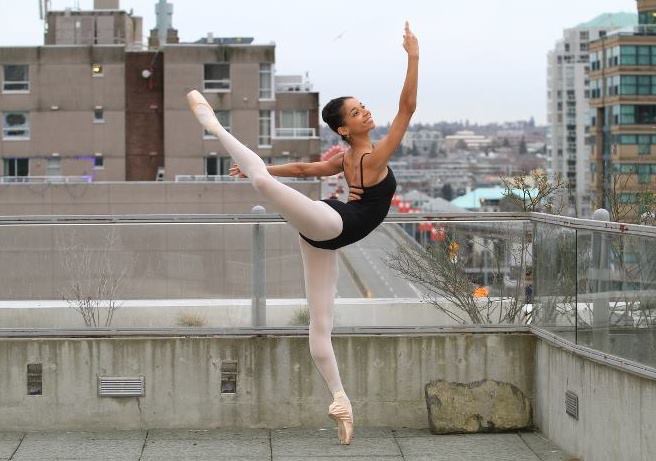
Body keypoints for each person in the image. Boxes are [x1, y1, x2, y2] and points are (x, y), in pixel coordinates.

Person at [187, 21, 418, 445]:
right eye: (355, 112)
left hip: (323, 235)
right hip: (333, 224)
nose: (365, 111)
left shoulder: (353, 156)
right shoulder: (369, 156)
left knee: (320, 325)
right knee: (260, 185)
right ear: (344, 129)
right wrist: (413, 56)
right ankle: (216, 127)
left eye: (363, 106)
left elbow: (304, 169)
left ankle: (341, 401)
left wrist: (268, 168)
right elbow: (406, 109)